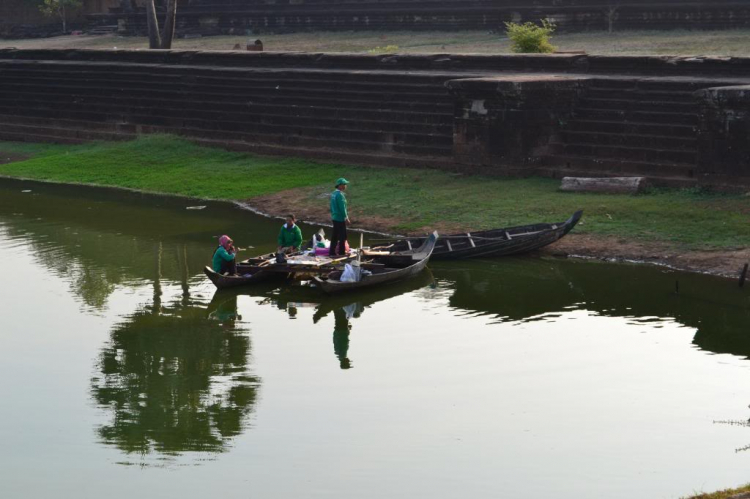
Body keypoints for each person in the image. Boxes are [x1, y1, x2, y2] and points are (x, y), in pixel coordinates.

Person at [329, 178, 350, 256]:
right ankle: (341, 252)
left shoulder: (333, 194)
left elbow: (331, 206)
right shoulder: (340, 195)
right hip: (340, 218)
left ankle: (332, 252)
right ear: (340, 185)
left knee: (335, 235)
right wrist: (346, 217)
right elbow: (342, 207)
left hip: (334, 217)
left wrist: (333, 214)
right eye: (344, 184)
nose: (345, 186)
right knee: (343, 236)